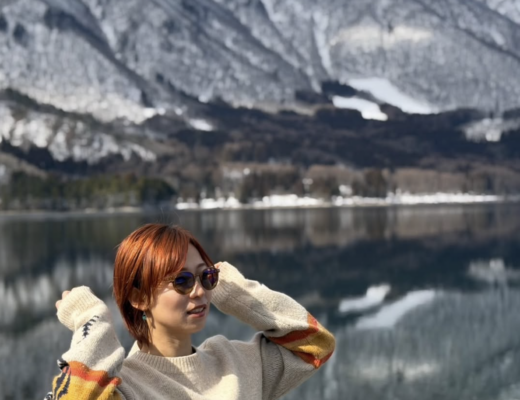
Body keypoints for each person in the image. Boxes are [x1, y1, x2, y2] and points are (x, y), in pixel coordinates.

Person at [47, 223, 335, 399]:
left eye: (205, 277)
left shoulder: (238, 364)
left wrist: (235, 291)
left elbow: (316, 344)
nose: (199, 291)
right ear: (138, 298)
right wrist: (92, 320)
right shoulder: (124, 388)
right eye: (182, 281)